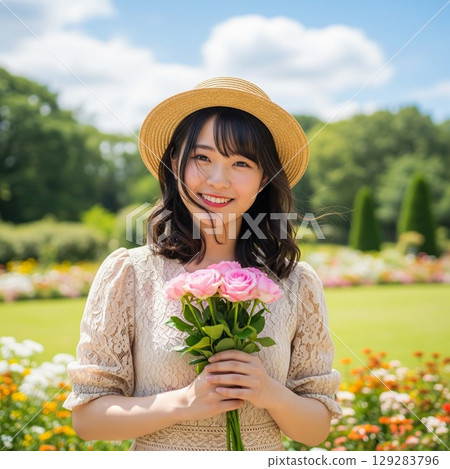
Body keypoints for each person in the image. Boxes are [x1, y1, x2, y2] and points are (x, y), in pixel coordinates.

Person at [64, 77, 343, 451]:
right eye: (202, 157)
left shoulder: (296, 282)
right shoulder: (129, 273)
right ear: (176, 161)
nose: (217, 180)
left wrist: (270, 392)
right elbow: (88, 419)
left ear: (264, 179)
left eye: (241, 162)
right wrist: (182, 403)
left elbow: (315, 429)